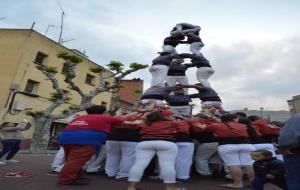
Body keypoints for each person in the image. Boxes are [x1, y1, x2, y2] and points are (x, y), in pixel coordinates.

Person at [58, 105, 124, 186]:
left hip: (66, 138)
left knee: (71, 160)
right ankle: (66, 180)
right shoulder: (105, 118)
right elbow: (121, 121)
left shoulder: (80, 117)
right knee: (75, 161)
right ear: (104, 112)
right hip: (86, 140)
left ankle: (76, 176)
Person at [127, 110, 184, 190]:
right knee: (168, 165)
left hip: (145, 143)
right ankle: (170, 188)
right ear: (164, 117)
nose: (172, 116)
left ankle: (131, 187)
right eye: (170, 115)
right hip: (166, 143)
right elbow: (183, 128)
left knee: (139, 164)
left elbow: (128, 123)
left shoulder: (145, 123)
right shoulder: (172, 123)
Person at [202, 114, 255, 188]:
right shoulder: (242, 125)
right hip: (246, 145)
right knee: (249, 164)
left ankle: (238, 183)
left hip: (227, 145)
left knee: (233, 164)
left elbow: (205, 129)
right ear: (233, 119)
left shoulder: (216, 125)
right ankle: (254, 183)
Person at [105, 109, 143, 180]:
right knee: (127, 157)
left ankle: (110, 173)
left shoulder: (116, 118)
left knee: (112, 156)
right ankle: (123, 174)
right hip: (130, 138)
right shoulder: (138, 119)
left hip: (112, 137)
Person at [278, 113, 300, 190]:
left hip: (296, 153)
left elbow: (287, 136)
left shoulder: (297, 118)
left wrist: (284, 147)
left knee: (296, 180)